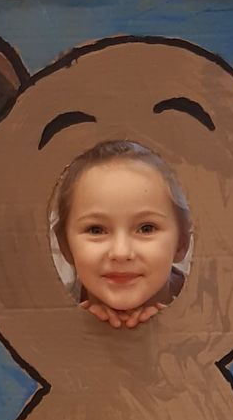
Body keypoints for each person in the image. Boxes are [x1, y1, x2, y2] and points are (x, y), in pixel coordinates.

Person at [49, 139, 193, 328]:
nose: (121, 252)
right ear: (65, 245)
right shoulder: (49, 312)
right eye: (96, 230)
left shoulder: (211, 305)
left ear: (181, 242)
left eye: (146, 228)